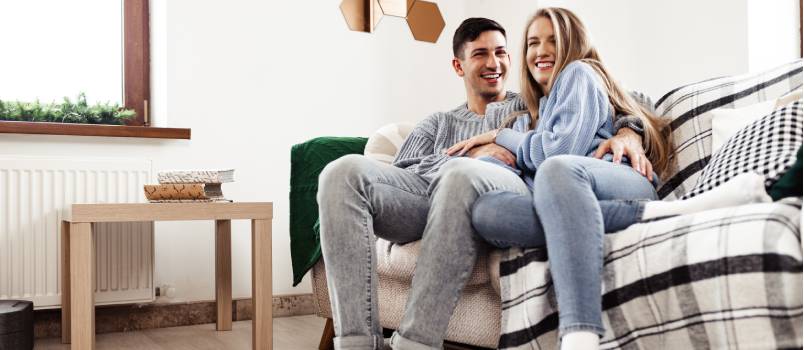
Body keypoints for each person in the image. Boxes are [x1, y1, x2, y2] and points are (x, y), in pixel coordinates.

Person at [446, 8, 772, 350]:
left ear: (573, 43)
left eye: (553, 40)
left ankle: (580, 334)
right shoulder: (531, 113)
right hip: (572, 198)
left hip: (617, 180)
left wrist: (503, 137)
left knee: (558, 170)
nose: (541, 51)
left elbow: (556, 154)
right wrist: (487, 155)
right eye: (533, 42)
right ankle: (677, 213)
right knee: (486, 212)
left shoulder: (579, 73)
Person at [317, 17, 648, 350]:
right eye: (480, 54)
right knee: (339, 172)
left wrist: (629, 132)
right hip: (423, 198)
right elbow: (405, 171)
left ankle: (416, 342)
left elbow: (627, 98)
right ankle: (356, 343)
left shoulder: (531, 104)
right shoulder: (438, 123)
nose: (493, 63)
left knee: (463, 176)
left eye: (501, 52)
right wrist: (469, 154)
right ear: (458, 66)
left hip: (490, 192)